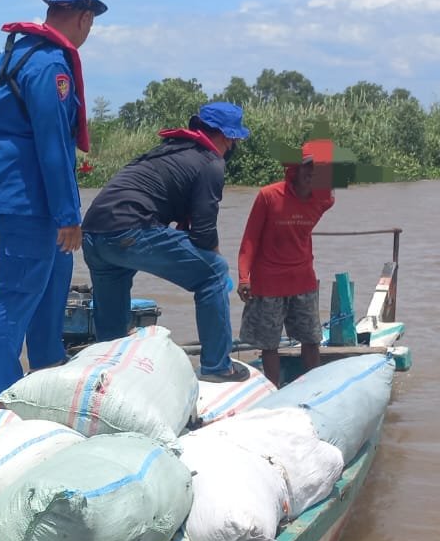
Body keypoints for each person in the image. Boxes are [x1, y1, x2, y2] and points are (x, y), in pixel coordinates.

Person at [0, 0, 105, 400]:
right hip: (30, 202)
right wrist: (70, 216)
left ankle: (47, 376)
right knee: (15, 300)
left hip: (26, 198)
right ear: (84, 18)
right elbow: (52, 144)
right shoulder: (50, 65)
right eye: (90, 24)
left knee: (51, 294)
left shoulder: (18, 53)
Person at [80, 102, 252, 381]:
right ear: (228, 136)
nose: (233, 146)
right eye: (233, 140)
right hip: (130, 231)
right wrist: (215, 263)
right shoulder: (211, 163)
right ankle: (218, 367)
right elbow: (204, 232)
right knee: (215, 274)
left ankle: (108, 374)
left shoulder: (169, 149)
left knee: (111, 319)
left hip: (93, 234)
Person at [237, 143, 336, 386]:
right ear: (294, 170)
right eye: (308, 168)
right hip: (268, 283)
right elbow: (250, 238)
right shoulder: (269, 196)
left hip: (302, 280)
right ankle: (273, 390)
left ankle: (315, 387)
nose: (313, 173)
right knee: (269, 345)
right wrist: (243, 277)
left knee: (311, 339)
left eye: (319, 169)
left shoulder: (323, 199)